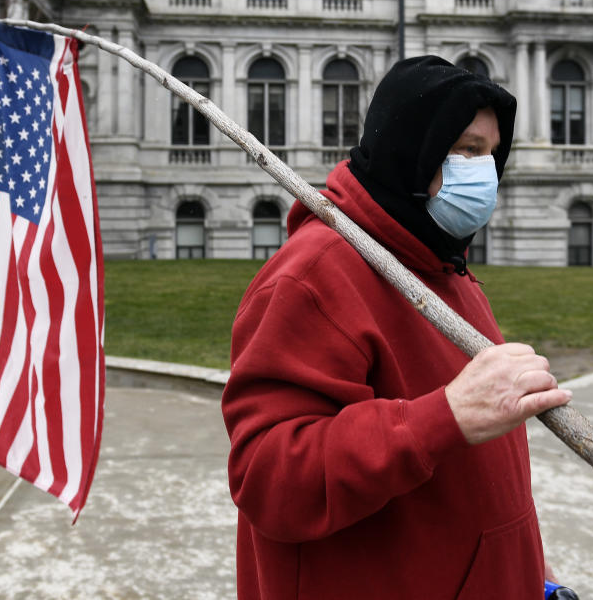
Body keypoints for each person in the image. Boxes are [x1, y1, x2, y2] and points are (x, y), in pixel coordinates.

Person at [222, 56, 572, 599]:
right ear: (413, 149)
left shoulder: (443, 266)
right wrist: (443, 417)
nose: (482, 173)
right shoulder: (311, 277)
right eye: (465, 150)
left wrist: (528, 573)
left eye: (490, 154)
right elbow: (269, 477)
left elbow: (484, 487)